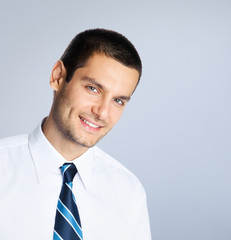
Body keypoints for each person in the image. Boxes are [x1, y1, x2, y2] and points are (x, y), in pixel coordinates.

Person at [0, 29, 151, 240]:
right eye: (93, 88)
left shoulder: (129, 192)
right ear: (58, 77)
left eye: (118, 101)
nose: (102, 113)